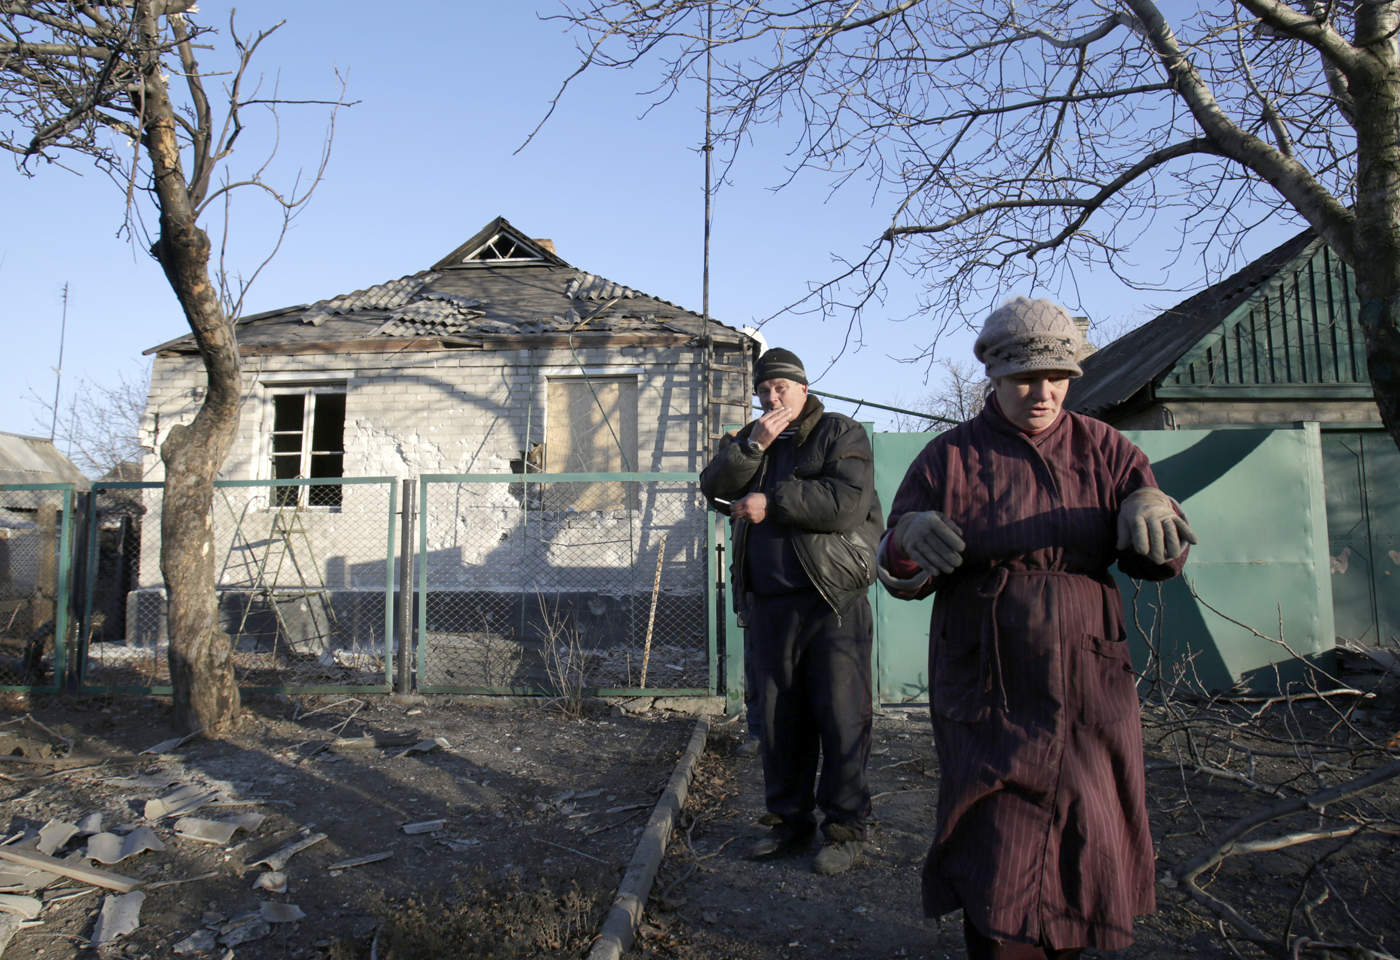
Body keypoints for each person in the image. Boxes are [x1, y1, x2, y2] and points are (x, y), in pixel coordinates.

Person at [878, 298, 1196, 960]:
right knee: (995, 834)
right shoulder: (949, 459)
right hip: (987, 668)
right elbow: (899, 567)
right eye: (1025, 378)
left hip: (1087, 669)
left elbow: (1157, 555)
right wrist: (906, 537)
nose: (1044, 392)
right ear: (992, 377)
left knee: (1086, 822)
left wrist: (1151, 502)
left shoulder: (1107, 449)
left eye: (1058, 377)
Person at [701, 348, 884, 876]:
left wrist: (772, 502)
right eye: (764, 389)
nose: (772, 397)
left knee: (842, 718)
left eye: (781, 387)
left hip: (832, 603)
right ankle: (790, 821)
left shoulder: (840, 433)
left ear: (803, 388)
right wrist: (751, 448)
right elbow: (713, 487)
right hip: (770, 606)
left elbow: (847, 503)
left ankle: (845, 827)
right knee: (779, 722)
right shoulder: (749, 439)